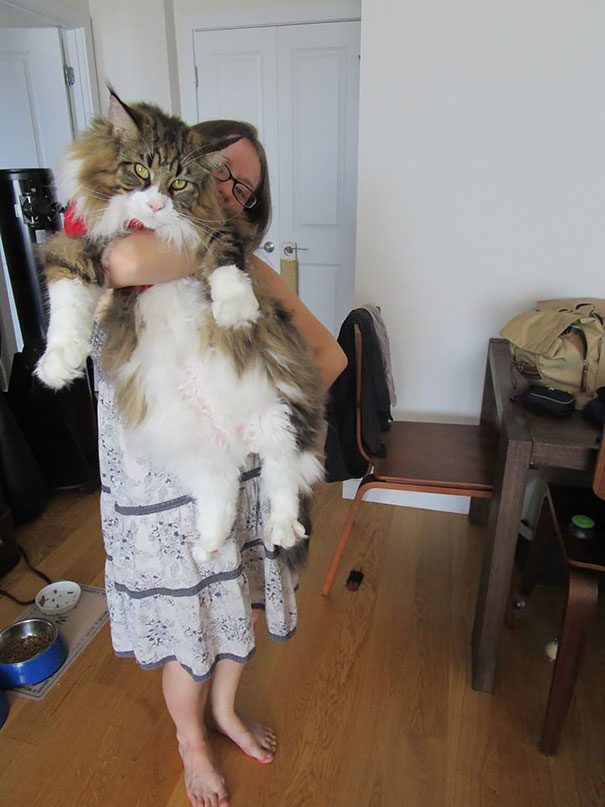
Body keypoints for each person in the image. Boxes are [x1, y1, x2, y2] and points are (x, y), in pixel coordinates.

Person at [98, 119, 347, 807]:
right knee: (190, 629)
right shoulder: (125, 240)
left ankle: (226, 710)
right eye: (219, 174)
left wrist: (273, 416)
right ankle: (190, 739)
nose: (231, 193)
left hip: (236, 476)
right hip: (161, 485)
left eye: (245, 187)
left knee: (241, 603)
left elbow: (330, 357)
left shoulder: (252, 270)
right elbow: (122, 268)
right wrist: (214, 249)